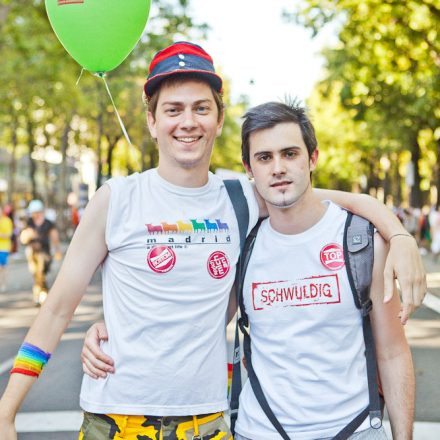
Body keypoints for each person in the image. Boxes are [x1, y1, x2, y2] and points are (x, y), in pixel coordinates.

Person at [0, 42, 424, 440]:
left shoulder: (240, 196)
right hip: (114, 417)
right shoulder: (116, 198)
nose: (188, 122)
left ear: (218, 120)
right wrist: (7, 411)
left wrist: (398, 232)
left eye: (202, 108)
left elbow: (310, 194)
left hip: (206, 421)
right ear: (151, 120)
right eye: (173, 109)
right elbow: (56, 309)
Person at [232, 101, 414, 440]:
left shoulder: (360, 241)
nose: (278, 168)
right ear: (249, 168)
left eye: (290, 154)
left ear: (312, 158)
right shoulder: (242, 244)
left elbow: (392, 352)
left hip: (353, 431)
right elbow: (196, 316)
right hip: (259, 432)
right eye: (264, 157)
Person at [19, 199, 62, 305]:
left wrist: (57, 250)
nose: (35, 215)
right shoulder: (28, 223)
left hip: (44, 253)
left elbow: (54, 237)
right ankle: (41, 294)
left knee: (41, 273)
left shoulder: (48, 223)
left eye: (36, 212)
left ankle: (41, 294)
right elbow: (23, 238)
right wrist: (28, 234)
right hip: (32, 253)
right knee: (36, 274)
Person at [0, 204, 14, 292]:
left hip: (4, 248)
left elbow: (9, 234)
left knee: (3, 268)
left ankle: (3, 284)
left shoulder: (7, 221)